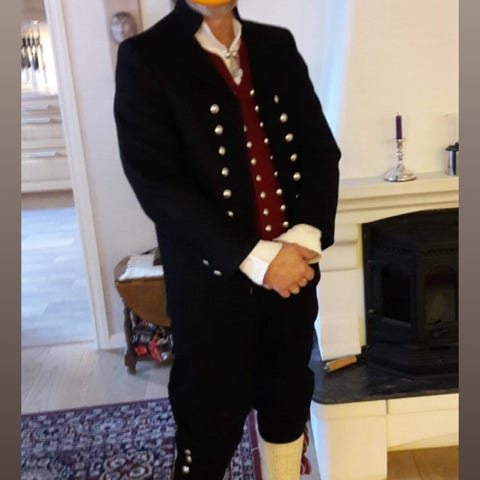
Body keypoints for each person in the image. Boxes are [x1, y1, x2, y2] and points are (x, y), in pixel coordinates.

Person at [113, 0, 341, 478]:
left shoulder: (276, 45)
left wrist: (304, 239)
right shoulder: (146, 57)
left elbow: (320, 151)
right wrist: (258, 258)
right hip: (209, 287)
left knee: (287, 399)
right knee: (207, 420)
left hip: (293, 275)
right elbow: (156, 182)